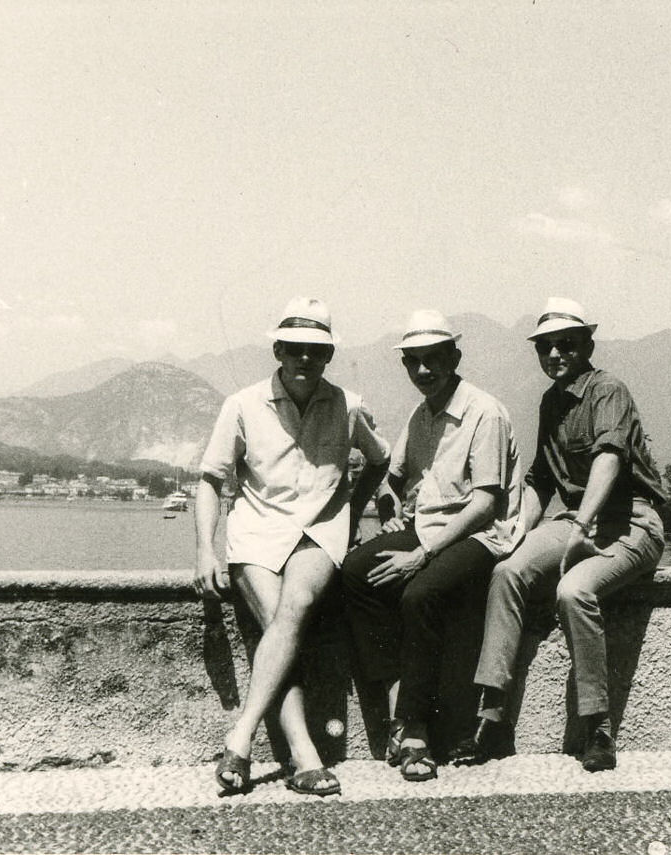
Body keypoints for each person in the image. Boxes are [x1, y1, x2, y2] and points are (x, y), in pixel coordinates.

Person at [194, 297, 390, 798]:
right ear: (277, 350)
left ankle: (241, 737)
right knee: (278, 623)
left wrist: (350, 510)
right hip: (256, 532)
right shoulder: (242, 405)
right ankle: (304, 755)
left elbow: (380, 460)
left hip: (319, 532)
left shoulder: (349, 406)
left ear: (329, 356)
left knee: (294, 605)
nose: (306, 358)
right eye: (296, 348)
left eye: (317, 351)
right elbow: (211, 481)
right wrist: (205, 552)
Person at [461, 297, 667, 772]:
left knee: (573, 591)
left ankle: (597, 727)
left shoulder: (608, 391)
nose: (555, 354)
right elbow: (540, 479)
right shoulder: (551, 402)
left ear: (587, 345)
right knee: (507, 572)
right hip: (576, 518)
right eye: (545, 346)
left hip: (631, 520)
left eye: (566, 344)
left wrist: (580, 525)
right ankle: (493, 719)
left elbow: (609, 458)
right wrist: (517, 532)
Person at [340, 309, 522, 783]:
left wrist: (422, 555)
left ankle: (416, 729)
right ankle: (398, 695)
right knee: (355, 572)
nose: (423, 370)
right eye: (413, 361)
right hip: (429, 528)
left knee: (420, 593)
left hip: (482, 535)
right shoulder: (422, 415)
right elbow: (392, 476)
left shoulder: (484, 412)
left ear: (454, 357)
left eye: (433, 358)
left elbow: (486, 504)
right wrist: (389, 507)